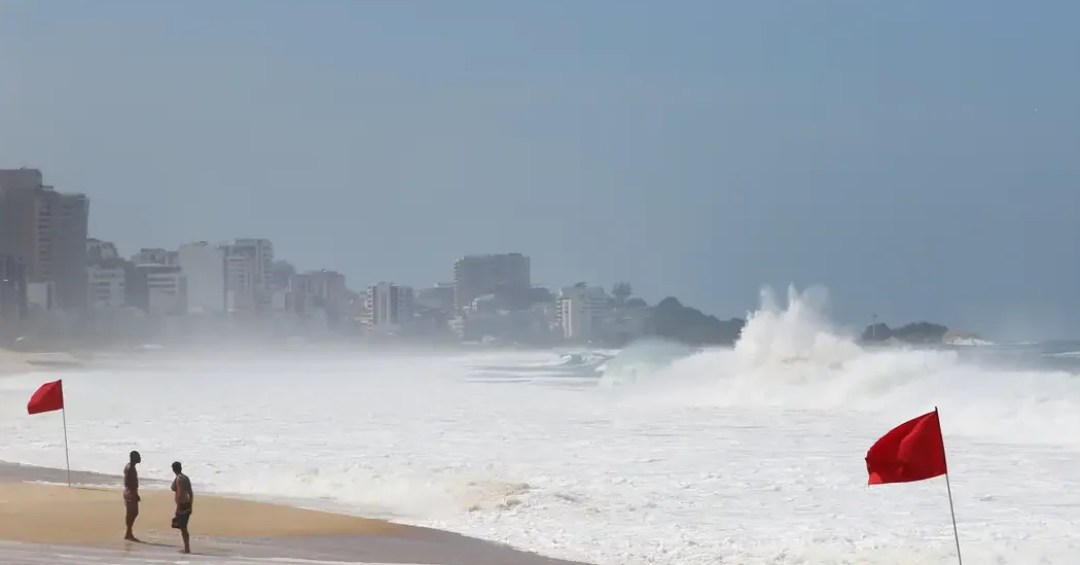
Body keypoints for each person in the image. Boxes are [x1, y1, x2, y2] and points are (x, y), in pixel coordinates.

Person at [170, 461, 194, 554]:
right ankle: (186, 547)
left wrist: (178, 507)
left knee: (183, 528)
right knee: (183, 527)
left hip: (182, 505)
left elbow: (180, 493)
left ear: (173, 469)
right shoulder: (185, 478)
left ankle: (187, 549)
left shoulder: (179, 479)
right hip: (187, 504)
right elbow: (190, 492)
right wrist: (191, 504)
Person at [123, 450, 141, 542]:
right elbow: (129, 482)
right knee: (132, 513)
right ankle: (128, 533)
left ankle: (129, 532)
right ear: (134, 458)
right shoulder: (130, 468)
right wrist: (134, 493)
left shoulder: (129, 466)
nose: (140, 458)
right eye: (138, 457)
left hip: (130, 491)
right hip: (130, 492)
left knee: (134, 512)